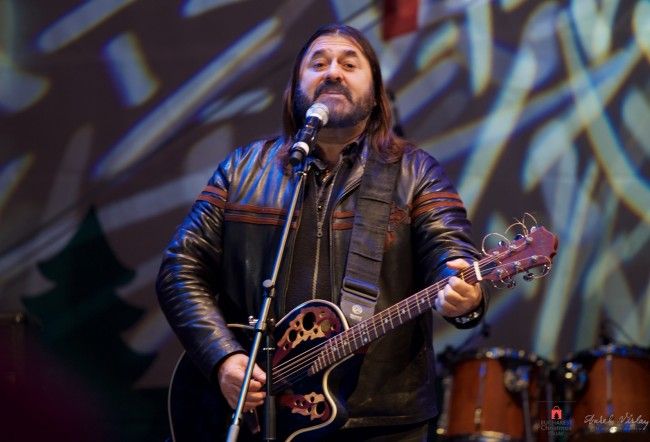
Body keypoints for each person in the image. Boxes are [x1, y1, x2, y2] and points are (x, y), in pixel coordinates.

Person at [157, 24, 486, 442]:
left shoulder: (416, 171)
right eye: (319, 63)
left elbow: (450, 252)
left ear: (375, 92)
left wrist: (465, 296)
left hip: (381, 422)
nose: (333, 72)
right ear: (296, 88)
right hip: (253, 414)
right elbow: (179, 268)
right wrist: (222, 357)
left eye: (349, 64)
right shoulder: (242, 170)